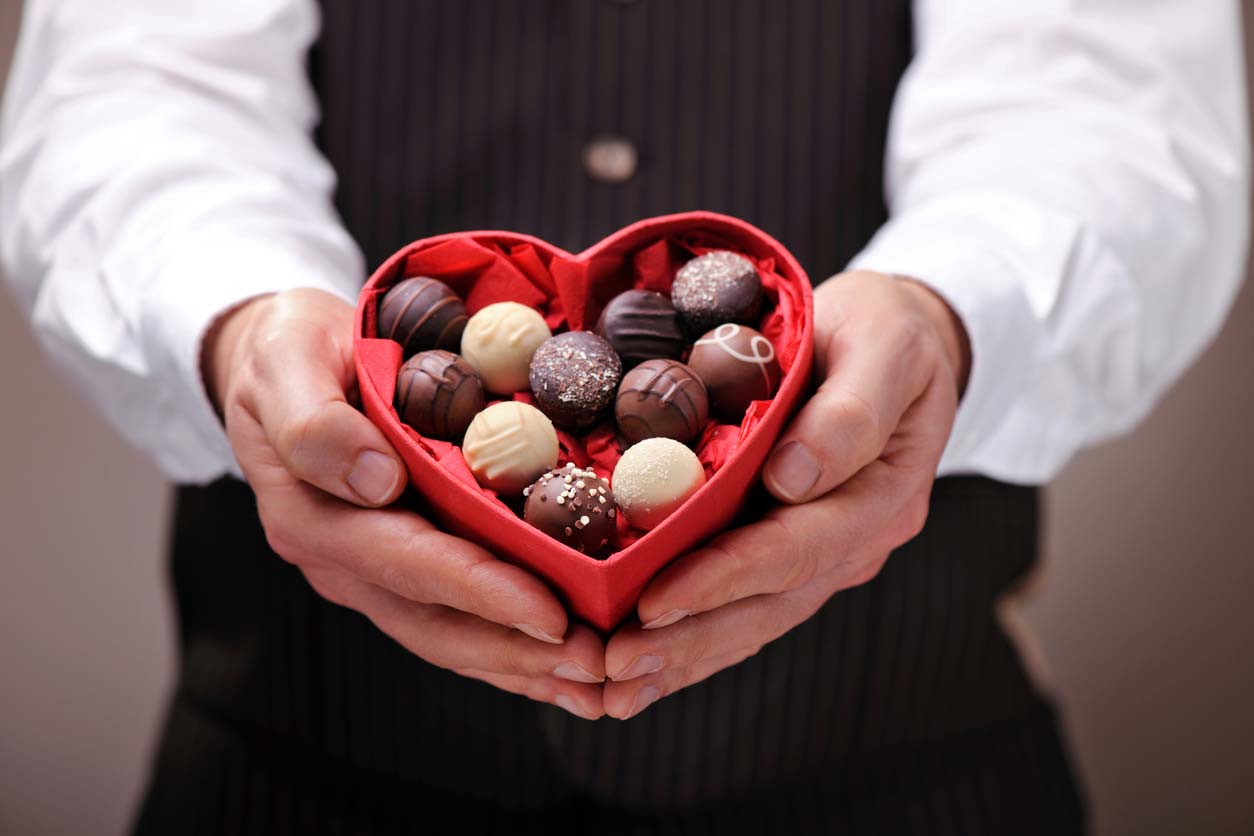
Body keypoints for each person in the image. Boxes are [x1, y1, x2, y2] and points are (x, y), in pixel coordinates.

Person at [1, 0, 1248, 832]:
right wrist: (238, 321)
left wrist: (948, 310)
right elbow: (134, 85)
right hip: (296, 773)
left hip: (903, 771)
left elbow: (1108, 106)